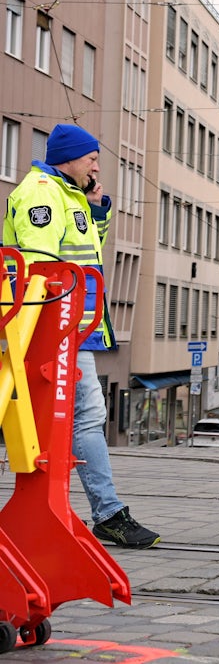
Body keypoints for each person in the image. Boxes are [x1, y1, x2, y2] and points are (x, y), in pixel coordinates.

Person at [3, 123, 160, 549]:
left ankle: (100, 511)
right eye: (91, 157)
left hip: (72, 327)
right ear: (69, 158)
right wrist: (52, 330)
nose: (96, 164)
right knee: (82, 415)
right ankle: (106, 513)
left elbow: (89, 255)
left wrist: (96, 210)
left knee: (77, 417)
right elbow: (42, 269)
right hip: (55, 327)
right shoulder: (41, 193)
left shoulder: (68, 195)